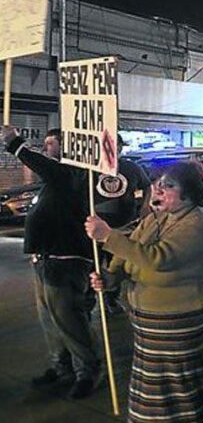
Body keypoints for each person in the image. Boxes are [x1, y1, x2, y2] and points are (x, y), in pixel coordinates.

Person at [86, 162, 203, 422]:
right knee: (152, 384)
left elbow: (157, 258)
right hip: (148, 318)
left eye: (168, 186)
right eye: (158, 183)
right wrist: (111, 277)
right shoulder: (155, 218)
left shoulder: (196, 225)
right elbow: (134, 247)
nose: (158, 190)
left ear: (188, 193)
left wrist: (108, 237)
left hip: (178, 320)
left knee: (177, 384)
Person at [2, 125, 100, 399]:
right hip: (45, 259)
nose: (46, 148)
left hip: (65, 259)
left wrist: (14, 143)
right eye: (45, 143)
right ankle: (62, 368)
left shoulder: (74, 174)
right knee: (51, 320)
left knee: (70, 320)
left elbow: (45, 166)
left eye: (52, 143)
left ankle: (87, 372)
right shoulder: (54, 180)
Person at [94, 135, 153, 315]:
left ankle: (111, 299)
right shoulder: (92, 168)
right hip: (96, 227)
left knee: (116, 265)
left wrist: (145, 206)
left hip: (124, 226)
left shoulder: (131, 167)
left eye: (117, 145)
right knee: (93, 265)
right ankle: (88, 299)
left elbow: (147, 186)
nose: (114, 149)